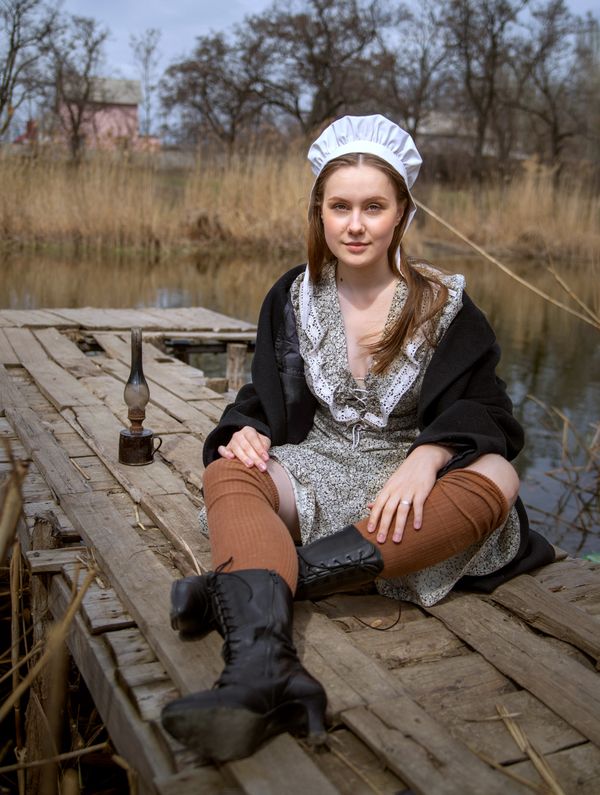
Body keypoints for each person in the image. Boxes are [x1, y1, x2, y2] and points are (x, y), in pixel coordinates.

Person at [161, 114, 555, 763]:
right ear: (318, 211)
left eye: (374, 206)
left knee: (500, 478)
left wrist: (428, 457)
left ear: (402, 211)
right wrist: (247, 434)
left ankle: (256, 585)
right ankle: (262, 666)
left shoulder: (442, 306)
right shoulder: (293, 297)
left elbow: (492, 413)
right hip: (322, 464)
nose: (355, 223)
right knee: (228, 471)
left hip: (410, 494)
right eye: (339, 206)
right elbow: (260, 397)